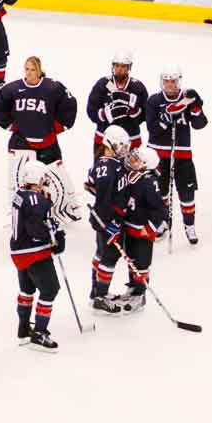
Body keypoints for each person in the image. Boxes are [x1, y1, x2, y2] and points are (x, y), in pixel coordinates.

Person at [0, 54, 79, 218]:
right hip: (21, 144)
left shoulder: (52, 88)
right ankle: (18, 212)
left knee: (60, 179)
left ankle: (67, 208)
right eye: (27, 69)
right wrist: (10, 125)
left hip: (48, 143)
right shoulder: (14, 89)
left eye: (33, 70)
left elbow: (69, 105)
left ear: (39, 71)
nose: (29, 73)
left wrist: (59, 127)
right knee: (19, 181)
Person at [9, 159, 67, 352]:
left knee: (27, 290)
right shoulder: (35, 199)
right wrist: (55, 237)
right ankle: (39, 333)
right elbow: (36, 228)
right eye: (43, 178)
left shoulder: (20, 194)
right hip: (33, 252)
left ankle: (24, 329)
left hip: (19, 252)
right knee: (50, 289)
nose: (45, 181)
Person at [146, 69, 208, 245]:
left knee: (187, 192)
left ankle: (189, 226)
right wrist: (167, 116)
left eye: (173, 81)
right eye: (167, 81)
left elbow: (200, 124)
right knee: (160, 192)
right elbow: (153, 130)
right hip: (158, 155)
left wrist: (195, 107)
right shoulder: (154, 101)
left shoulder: (186, 99)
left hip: (181, 153)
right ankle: (163, 222)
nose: (170, 85)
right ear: (162, 82)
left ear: (179, 82)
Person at [114, 146, 168, 314]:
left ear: (145, 165)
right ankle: (133, 287)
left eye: (137, 159)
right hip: (130, 227)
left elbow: (160, 209)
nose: (132, 160)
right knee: (131, 260)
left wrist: (150, 227)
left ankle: (140, 293)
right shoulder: (132, 176)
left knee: (142, 263)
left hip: (143, 231)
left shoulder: (149, 182)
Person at [85, 124, 130, 315]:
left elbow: (92, 185)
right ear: (110, 144)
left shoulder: (111, 164)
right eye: (121, 146)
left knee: (101, 252)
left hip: (109, 218)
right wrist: (108, 223)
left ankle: (95, 291)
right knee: (109, 256)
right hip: (108, 220)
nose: (124, 150)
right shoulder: (106, 166)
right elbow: (103, 198)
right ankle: (100, 297)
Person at [85, 52, 147, 156]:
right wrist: (105, 114)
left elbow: (146, 114)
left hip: (130, 139)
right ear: (113, 66)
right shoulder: (102, 84)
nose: (119, 69)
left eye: (123, 66)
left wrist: (133, 111)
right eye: (117, 65)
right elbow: (91, 111)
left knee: (130, 171)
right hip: (104, 139)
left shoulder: (137, 87)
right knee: (102, 170)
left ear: (129, 67)